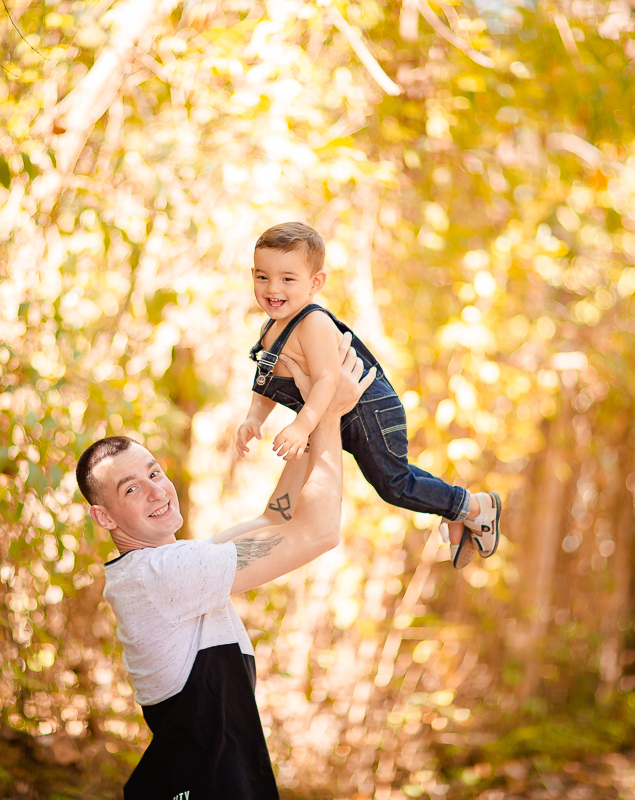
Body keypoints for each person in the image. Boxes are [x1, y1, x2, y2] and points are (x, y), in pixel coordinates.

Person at [78, 334, 375, 799]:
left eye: (154, 472)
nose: (157, 491)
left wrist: (309, 417)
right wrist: (331, 413)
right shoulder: (165, 574)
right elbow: (319, 533)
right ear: (105, 516)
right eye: (131, 489)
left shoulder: (156, 567)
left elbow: (274, 519)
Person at [235, 221, 503, 569]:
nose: (273, 288)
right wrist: (254, 417)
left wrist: (302, 427)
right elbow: (267, 378)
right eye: (262, 277)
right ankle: (455, 511)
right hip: (345, 416)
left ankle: (474, 507)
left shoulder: (312, 324)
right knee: (396, 475)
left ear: (316, 283)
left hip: (370, 410)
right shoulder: (271, 327)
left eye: (288, 279)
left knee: (392, 483)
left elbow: (327, 382)